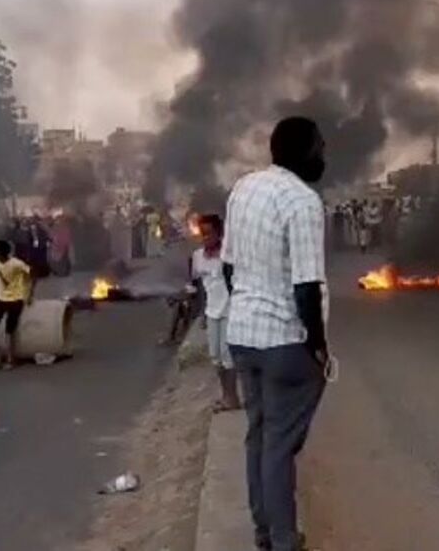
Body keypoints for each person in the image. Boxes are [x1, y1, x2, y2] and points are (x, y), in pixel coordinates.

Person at [224, 116, 328, 551]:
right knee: (280, 443)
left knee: (260, 434)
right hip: (285, 340)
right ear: (306, 151)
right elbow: (306, 286)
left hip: (242, 335)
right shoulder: (303, 201)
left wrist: (248, 304)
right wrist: (318, 346)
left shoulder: (243, 188)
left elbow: (229, 267)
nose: (324, 156)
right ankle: (284, 540)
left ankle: (264, 532)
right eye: (321, 148)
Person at [192, 214, 240, 413]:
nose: (205, 237)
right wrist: (202, 313)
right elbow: (200, 287)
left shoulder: (228, 256)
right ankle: (226, 395)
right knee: (216, 358)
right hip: (212, 312)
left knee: (228, 357)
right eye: (202, 234)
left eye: (209, 233)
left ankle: (232, 397)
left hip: (230, 310)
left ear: (219, 233)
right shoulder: (197, 257)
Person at [0, 240, 33, 372]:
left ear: (1, 252)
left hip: (16, 299)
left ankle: (10, 359)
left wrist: (29, 294)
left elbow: (32, 274)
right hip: (0, 298)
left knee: (10, 328)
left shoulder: (17, 263)